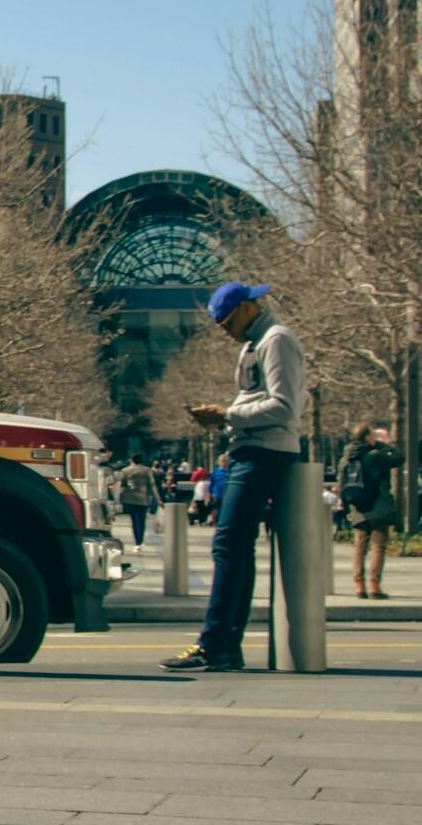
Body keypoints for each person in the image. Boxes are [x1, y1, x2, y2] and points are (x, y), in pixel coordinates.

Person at [161, 282, 306, 672]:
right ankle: (225, 644)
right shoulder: (254, 344)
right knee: (236, 548)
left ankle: (216, 641)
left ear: (247, 308)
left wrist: (228, 414)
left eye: (227, 322)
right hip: (249, 449)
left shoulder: (276, 340)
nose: (226, 332)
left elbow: (285, 407)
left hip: (264, 451)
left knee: (229, 545)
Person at [338, 422, 404, 600]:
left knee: (360, 546)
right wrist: (385, 444)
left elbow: (341, 482)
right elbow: (399, 458)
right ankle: (375, 586)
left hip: (358, 506)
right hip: (378, 505)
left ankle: (359, 585)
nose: (376, 438)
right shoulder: (375, 455)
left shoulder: (346, 457)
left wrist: (346, 505)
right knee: (378, 546)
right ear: (367, 437)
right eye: (374, 435)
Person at [117, 452, 157, 551]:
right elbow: (152, 485)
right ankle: (140, 541)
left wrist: (119, 499)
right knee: (142, 520)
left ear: (132, 460)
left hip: (130, 498)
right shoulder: (147, 470)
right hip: (143, 497)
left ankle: (137, 542)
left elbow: (122, 484)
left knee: (135, 520)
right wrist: (158, 498)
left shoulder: (125, 470)